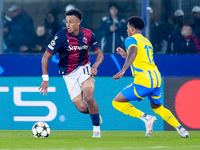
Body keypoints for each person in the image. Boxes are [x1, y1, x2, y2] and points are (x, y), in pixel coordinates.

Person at [112, 16, 189, 138]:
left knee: (116, 102)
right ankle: (181, 129)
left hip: (144, 80)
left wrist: (123, 70)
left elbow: (133, 52)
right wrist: (124, 55)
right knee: (157, 107)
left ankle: (147, 118)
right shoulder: (147, 42)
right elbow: (139, 57)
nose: (127, 31)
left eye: (127, 28)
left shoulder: (130, 39)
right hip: (156, 78)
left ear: (132, 28)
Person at [39, 9, 104, 138]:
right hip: (68, 74)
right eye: (66, 21)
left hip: (84, 68)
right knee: (81, 108)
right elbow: (46, 56)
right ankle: (95, 115)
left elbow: (99, 54)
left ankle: (96, 130)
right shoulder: (61, 35)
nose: (68, 24)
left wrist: (95, 66)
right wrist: (45, 79)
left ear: (79, 22)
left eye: (71, 21)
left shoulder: (88, 35)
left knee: (89, 97)